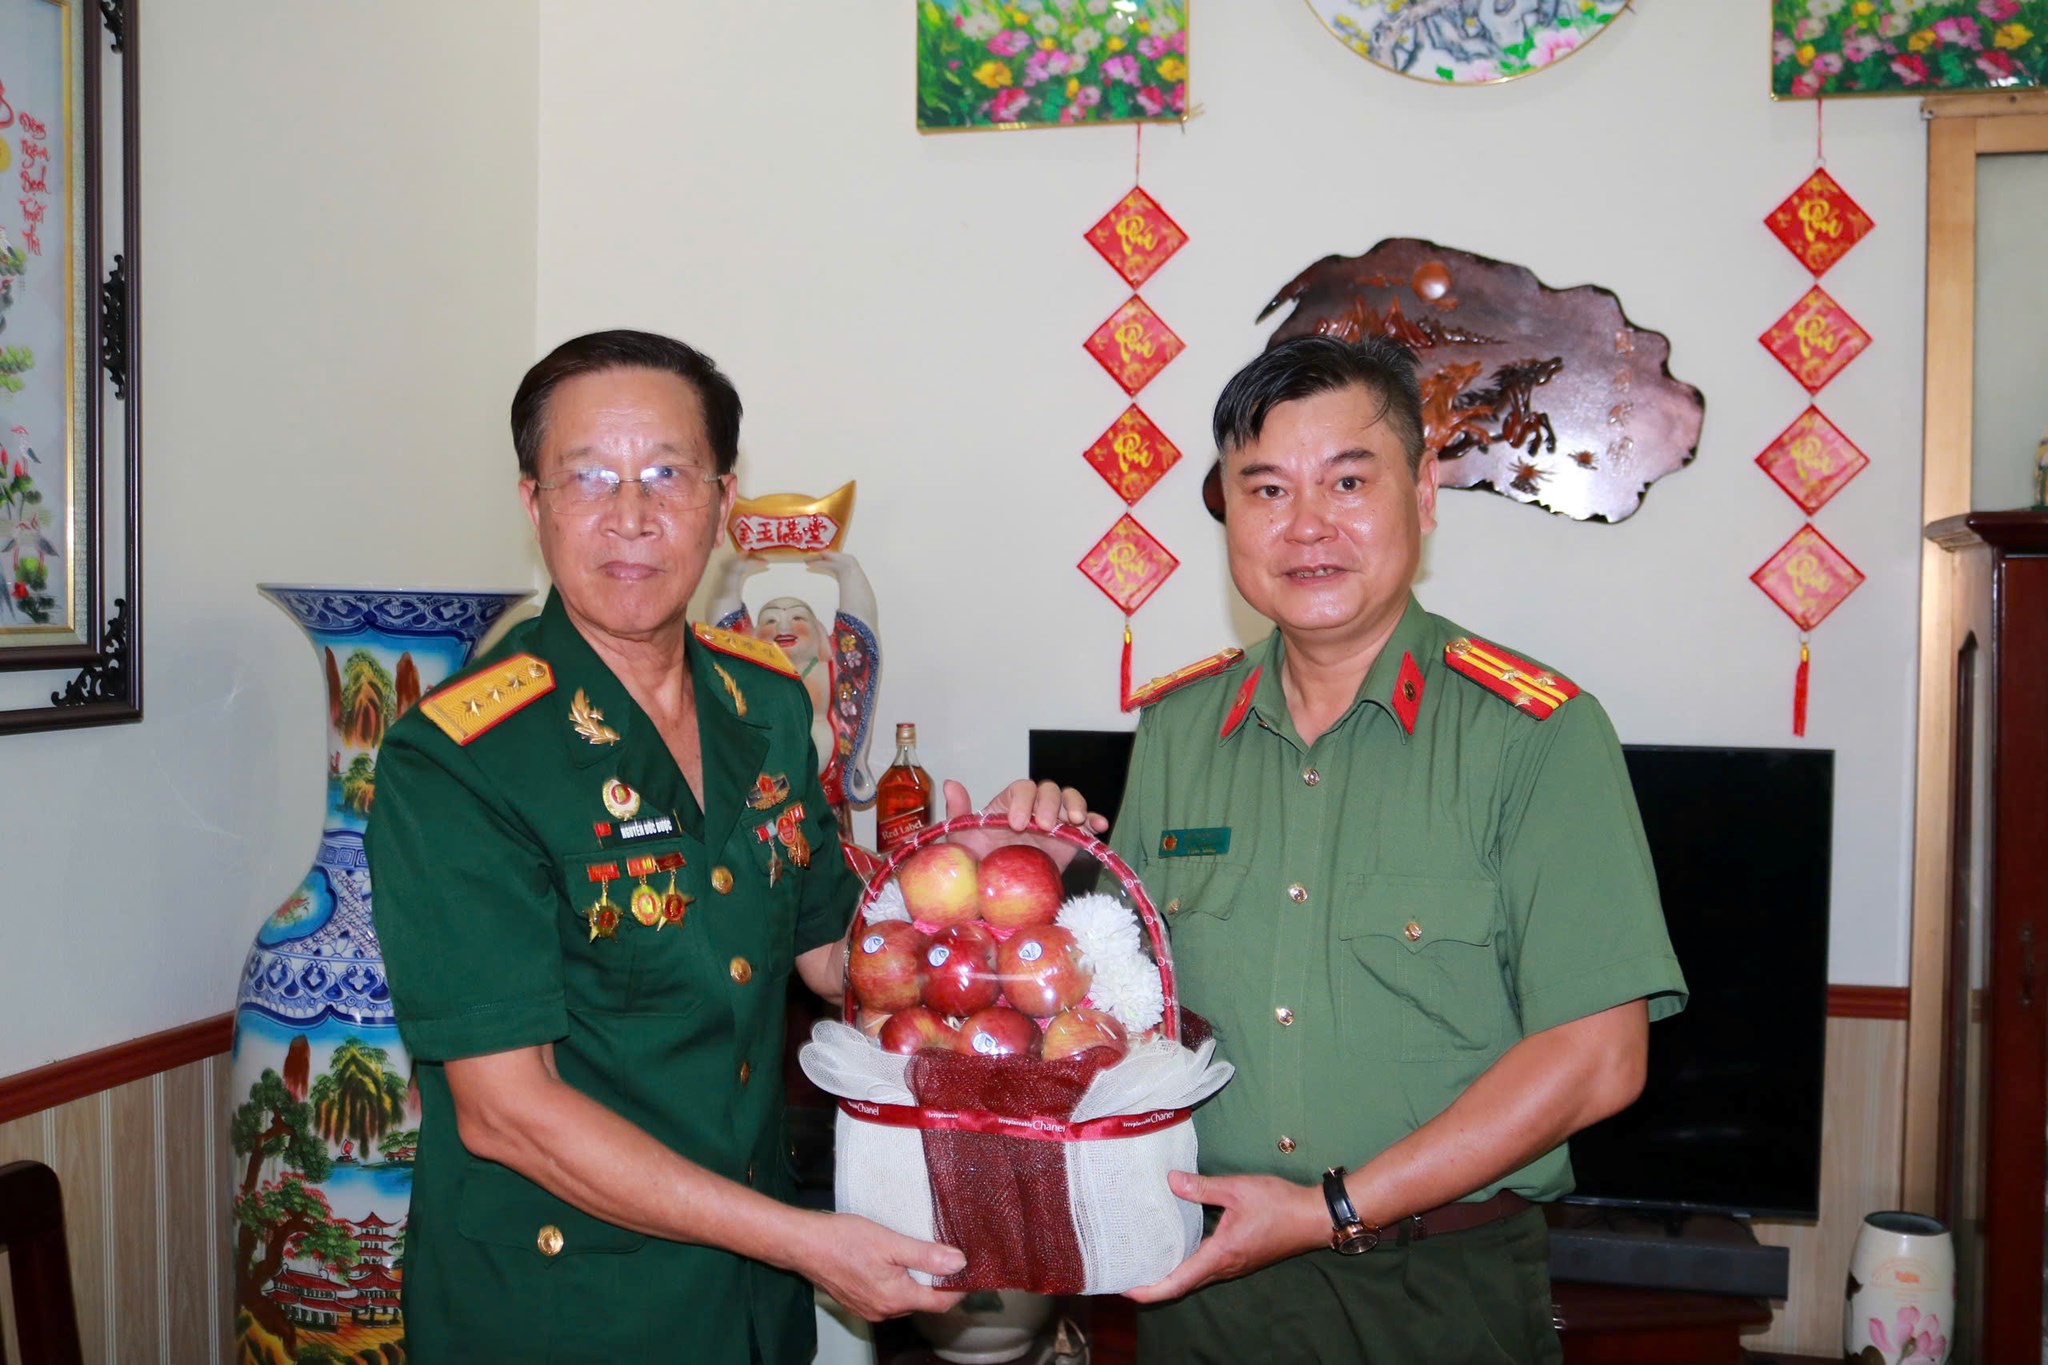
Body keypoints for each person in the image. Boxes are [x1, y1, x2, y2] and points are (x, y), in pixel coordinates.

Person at [366, 329, 1092, 1364]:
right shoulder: (461, 759)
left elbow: (835, 957)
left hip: (748, 1307)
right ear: (535, 504)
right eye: (588, 478)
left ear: (721, 503)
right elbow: (506, 1113)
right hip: (565, 1310)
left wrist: (983, 878)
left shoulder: (764, 703)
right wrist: (801, 1240)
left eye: (667, 474)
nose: (630, 515)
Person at [1113, 334, 1688, 1363]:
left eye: (1347, 481)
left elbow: (1598, 1059)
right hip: (1202, 1285)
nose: (1306, 526)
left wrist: (1330, 1208)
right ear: (1228, 513)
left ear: (1421, 494)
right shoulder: (1175, 731)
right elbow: (1108, 1010)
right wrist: (1028, 863)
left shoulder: (1534, 734)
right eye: (1266, 489)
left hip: (1436, 1292)